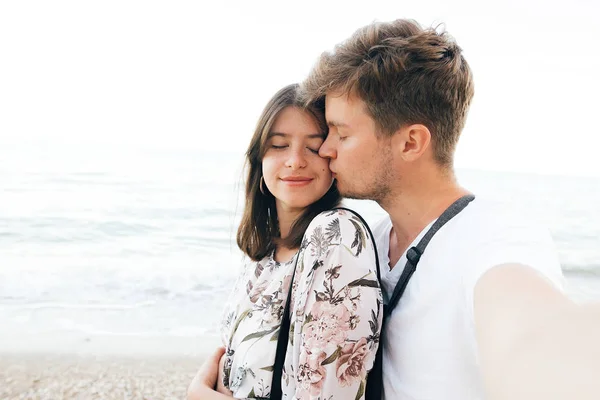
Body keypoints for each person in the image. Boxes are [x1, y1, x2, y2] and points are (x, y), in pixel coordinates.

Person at [189, 19, 600, 400]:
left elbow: (535, 338)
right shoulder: (373, 239)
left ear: (409, 143)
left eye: (341, 134)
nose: (325, 151)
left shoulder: (492, 241)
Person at [192, 83, 383, 400]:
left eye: (313, 147)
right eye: (279, 145)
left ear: (333, 156)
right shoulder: (264, 252)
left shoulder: (335, 239)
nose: (295, 160)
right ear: (259, 157)